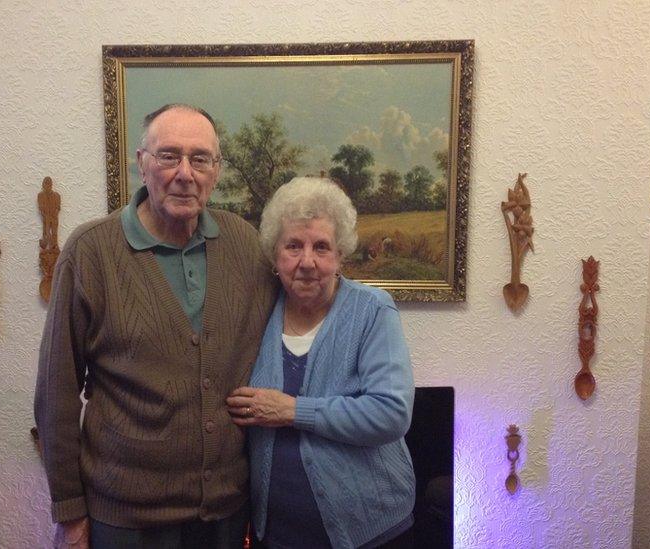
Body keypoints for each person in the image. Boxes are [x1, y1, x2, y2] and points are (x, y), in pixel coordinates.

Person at [35, 104, 277, 549]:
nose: (185, 173)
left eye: (200, 158)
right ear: (142, 163)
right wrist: (69, 513)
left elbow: (302, 300)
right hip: (127, 521)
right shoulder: (91, 252)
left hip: (224, 513)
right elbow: (57, 390)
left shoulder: (243, 243)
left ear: (216, 171)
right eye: (169, 156)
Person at [226, 177, 416, 549]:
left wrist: (293, 411)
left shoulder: (372, 311)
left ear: (341, 254)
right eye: (293, 245)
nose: (307, 262)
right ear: (274, 254)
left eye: (322, 247)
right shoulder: (256, 314)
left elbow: (391, 413)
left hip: (371, 532)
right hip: (277, 534)